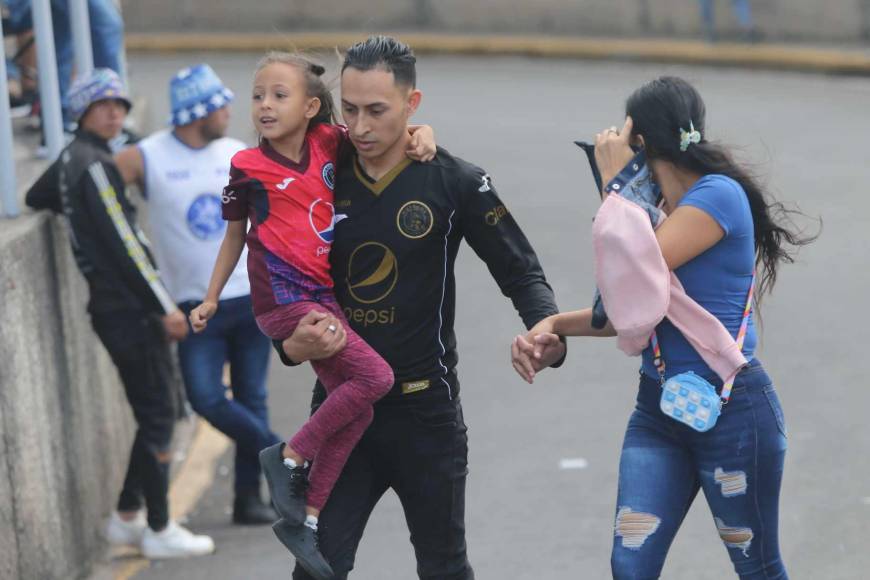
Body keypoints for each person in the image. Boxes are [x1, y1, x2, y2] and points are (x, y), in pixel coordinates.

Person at [276, 36, 566, 580]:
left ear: (413, 106)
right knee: (315, 570)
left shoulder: (455, 181)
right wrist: (289, 347)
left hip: (426, 416)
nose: (360, 127)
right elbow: (276, 278)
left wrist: (546, 330)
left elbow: (521, 271)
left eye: (378, 111)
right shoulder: (317, 175)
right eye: (351, 109)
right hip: (341, 410)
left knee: (444, 569)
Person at [513, 76, 815, 579]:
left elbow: (637, 272)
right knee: (630, 565)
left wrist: (614, 187)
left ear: (641, 145)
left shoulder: (719, 196)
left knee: (757, 566)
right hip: (658, 411)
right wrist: (553, 324)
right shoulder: (655, 213)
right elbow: (629, 308)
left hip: (733, 412)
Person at [188, 51, 437, 579]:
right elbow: (235, 234)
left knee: (360, 406)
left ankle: (308, 518)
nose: (264, 106)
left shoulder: (332, 141)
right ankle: (291, 456)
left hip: (322, 298)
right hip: (283, 301)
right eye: (257, 96)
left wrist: (423, 132)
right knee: (377, 376)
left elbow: (387, 135)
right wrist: (211, 296)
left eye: (279, 96)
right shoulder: (246, 167)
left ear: (311, 107)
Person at [24, 68, 215, 559]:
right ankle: (157, 526)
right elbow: (126, 243)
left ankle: (127, 517)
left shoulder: (75, 159)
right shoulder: (93, 166)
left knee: (157, 412)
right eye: (102, 105)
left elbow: (37, 196)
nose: (115, 112)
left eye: (120, 104)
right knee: (159, 417)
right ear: (82, 113)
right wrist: (165, 307)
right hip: (129, 312)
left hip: (116, 309)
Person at [114, 63, 280, 526]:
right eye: (220, 105)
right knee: (204, 397)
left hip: (251, 297)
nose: (230, 112)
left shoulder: (236, 153)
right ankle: (282, 450)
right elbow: (97, 188)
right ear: (198, 111)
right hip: (193, 306)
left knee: (253, 396)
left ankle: (249, 499)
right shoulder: (146, 156)